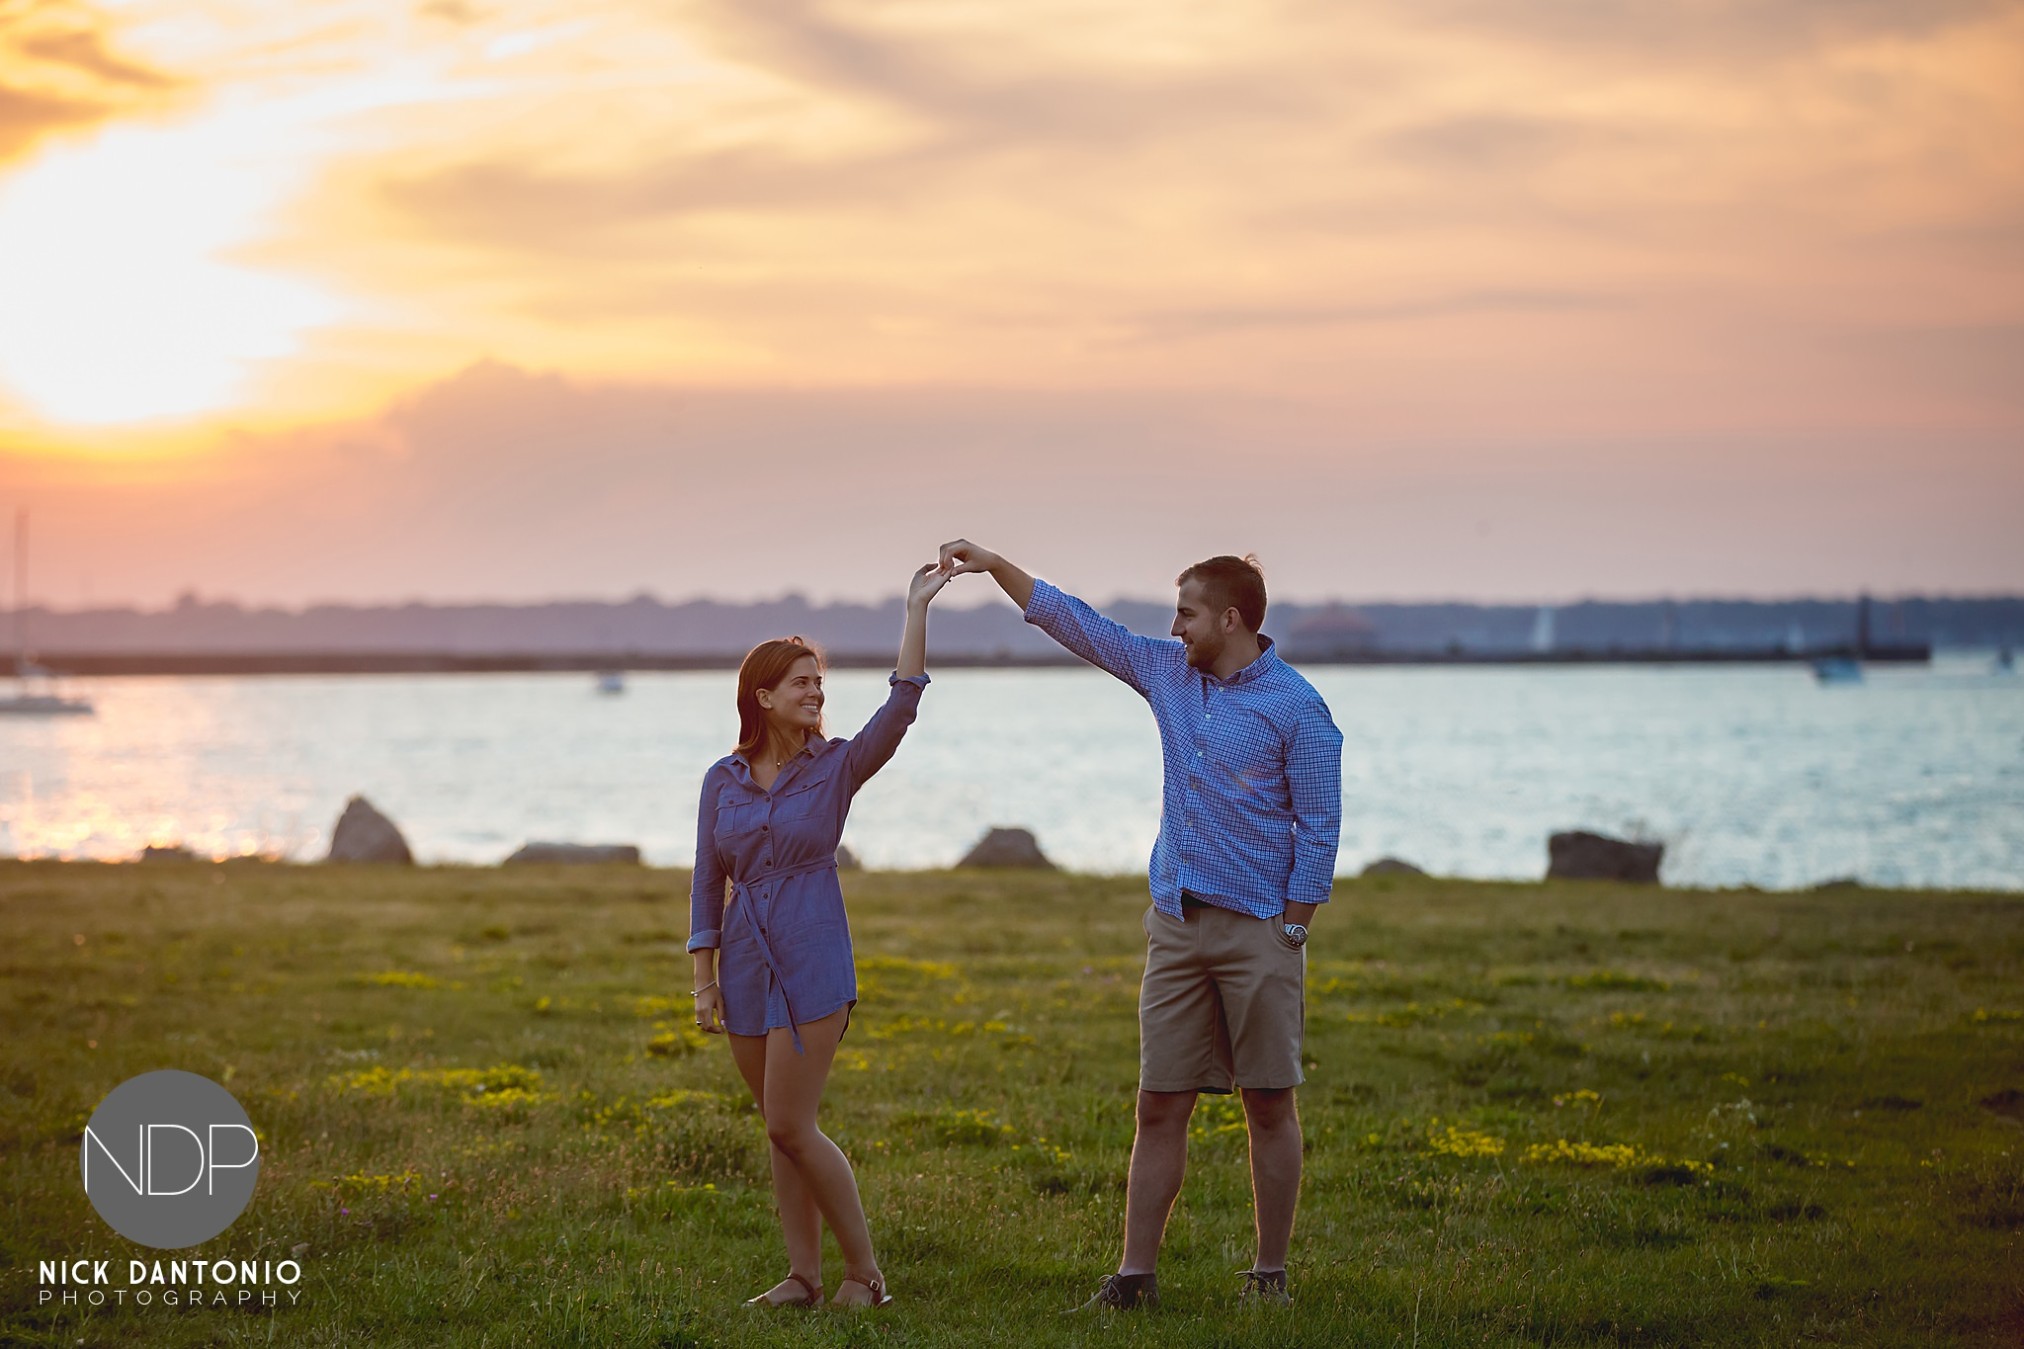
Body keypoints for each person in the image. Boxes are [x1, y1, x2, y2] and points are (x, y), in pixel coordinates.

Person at [937, 540, 1342, 1310]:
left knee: (1268, 1101)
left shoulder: (1298, 706)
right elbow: (1079, 623)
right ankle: (1134, 1278)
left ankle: (1269, 1276)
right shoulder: (1166, 672)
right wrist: (994, 564)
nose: (1175, 626)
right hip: (1176, 926)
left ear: (1230, 617)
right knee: (1159, 1100)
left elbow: (1320, 826)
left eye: (1186, 612)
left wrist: (1293, 928)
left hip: (1260, 929)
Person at [687, 561, 950, 1309]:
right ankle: (803, 1275)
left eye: (818, 682)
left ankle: (865, 1273)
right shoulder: (723, 778)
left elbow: (899, 711)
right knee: (779, 1130)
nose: (815, 691)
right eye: (800, 681)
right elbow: (708, 878)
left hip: (813, 957)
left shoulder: (835, 767)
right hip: (742, 963)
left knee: (790, 1121)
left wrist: (915, 612)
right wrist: (702, 977)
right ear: (762, 695)